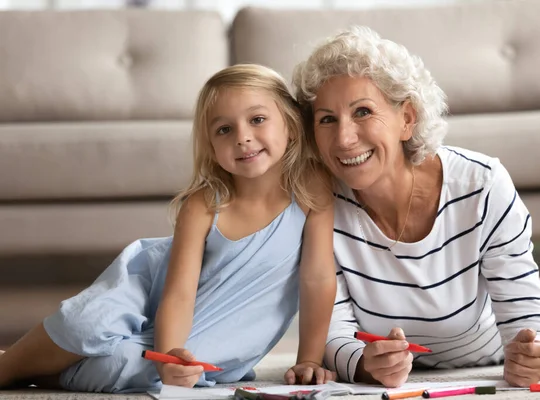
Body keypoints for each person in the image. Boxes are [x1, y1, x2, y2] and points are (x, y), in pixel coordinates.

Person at [0, 64, 337, 393]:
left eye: (257, 119)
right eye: (224, 129)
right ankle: (10, 364)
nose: (243, 137)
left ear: (291, 125)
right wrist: (168, 353)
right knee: (84, 323)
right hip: (152, 293)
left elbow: (318, 278)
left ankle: (46, 376)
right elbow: (178, 293)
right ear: (210, 144)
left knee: (122, 364)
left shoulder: (311, 188)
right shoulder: (203, 204)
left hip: (219, 332)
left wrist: (308, 358)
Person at [292, 26, 540, 389]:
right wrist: (363, 365)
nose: (344, 138)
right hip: (387, 376)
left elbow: (527, 312)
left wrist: (536, 353)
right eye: (326, 119)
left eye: (363, 112)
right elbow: (330, 329)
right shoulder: (319, 204)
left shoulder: (481, 185)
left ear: (407, 119)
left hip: (485, 359)